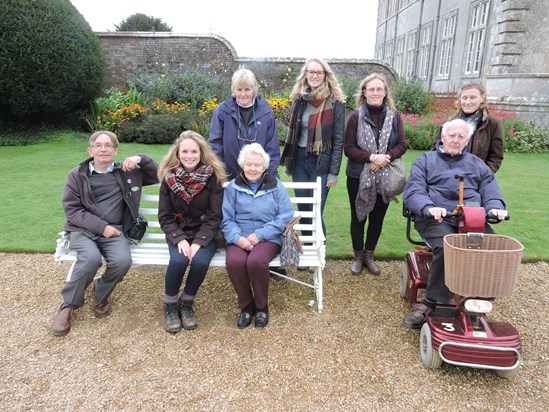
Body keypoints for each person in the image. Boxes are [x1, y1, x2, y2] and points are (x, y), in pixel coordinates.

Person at [402, 119, 508, 329]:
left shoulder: (477, 164)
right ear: (442, 136)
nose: (455, 140)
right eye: (451, 135)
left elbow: (490, 191)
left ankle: (479, 292)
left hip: (471, 218)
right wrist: (429, 207)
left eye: (461, 137)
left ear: (467, 141)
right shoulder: (425, 161)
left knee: (493, 244)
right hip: (435, 218)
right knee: (446, 245)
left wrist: (494, 207)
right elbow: (413, 191)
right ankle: (431, 301)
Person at [51, 131, 159, 336]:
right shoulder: (77, 175)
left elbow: (158, 174)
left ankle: (99, 293)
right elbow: (72, 210)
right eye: (98, 145)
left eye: (108, 145)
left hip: (116, 230)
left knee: (122, 261)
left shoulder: (126, 172)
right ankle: (68, 305)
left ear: (115, 150)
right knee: (90, 259)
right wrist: (102, 227)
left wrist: (141, 159)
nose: (103, 149)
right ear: (90, 150)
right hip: (83, 230)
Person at [157, 131, 226, 333]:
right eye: (185, 151)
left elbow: (214, 216)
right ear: (178, 153)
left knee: (200, 260)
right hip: (178, 231)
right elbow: (165, 217)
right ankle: (170, 305)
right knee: (178, 260)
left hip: (205, 232)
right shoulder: (168, 178)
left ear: (201, 153)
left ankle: (187, 302)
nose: (189, 156)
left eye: (194, 151)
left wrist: (199, 242)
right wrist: (179, 239)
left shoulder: (213, 178)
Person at [221, 143, 294, 329]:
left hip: (268, 237)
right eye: (248, 164)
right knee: (235, 262)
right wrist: (238, 238)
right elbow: (226, 219)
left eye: (257, 165)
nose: (252, 169)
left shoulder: (275, 186)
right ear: (242, 165)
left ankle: (262, 307)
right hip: (238, 237)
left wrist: (259, 235)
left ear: (264, 167)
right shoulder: (232, 188)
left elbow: (285, 215)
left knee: (255, 261)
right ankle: (246, 307)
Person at [344, 73, 408, 276]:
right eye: (371, 89)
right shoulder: (355, 117)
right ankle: (358, 257)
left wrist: (385, 157)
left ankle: (369, 256)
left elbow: (402, 144)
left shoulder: (394, 116)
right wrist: (372, 157)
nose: (375, 92)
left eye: (379, 89)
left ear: (385, 92)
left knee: (378, 218)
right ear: (364, 92)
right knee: (358, 217)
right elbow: (349, 148)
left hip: (385, 176)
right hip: (357, 176)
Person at [280, 57, 345, 239]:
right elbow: (293, 134)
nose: (315, 75)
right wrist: (289, 164)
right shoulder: (299, 98)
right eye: (311, 72)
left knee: (316, 211)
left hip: (321, 163)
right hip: (299, 160)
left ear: (325, 75)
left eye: (319, 72)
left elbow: (339, 140)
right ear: (305, 74)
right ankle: (308, 252)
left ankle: (319, 254)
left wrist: (333, 173)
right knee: (303, 210)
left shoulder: (335, 102)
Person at [209, 68, 280, 180]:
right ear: (234, 90)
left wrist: (270, 177)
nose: (243, 94)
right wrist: (219, 173)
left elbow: (272, 148)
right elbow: (216, 145)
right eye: (239, 89)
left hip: (258, 178)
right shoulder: (222, 111)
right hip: (229, 176)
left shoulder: (266, 113)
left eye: (247, 89)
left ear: (254, 90)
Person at [434, 83, 504, 173]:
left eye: (472, 97)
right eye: (464, 98)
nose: (468, 102)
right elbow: (437, 148)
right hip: (447, 175)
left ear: (482, 98)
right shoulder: (450, 121)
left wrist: (483, 174)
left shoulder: (492, 124)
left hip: (476, 178)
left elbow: (496, 157)